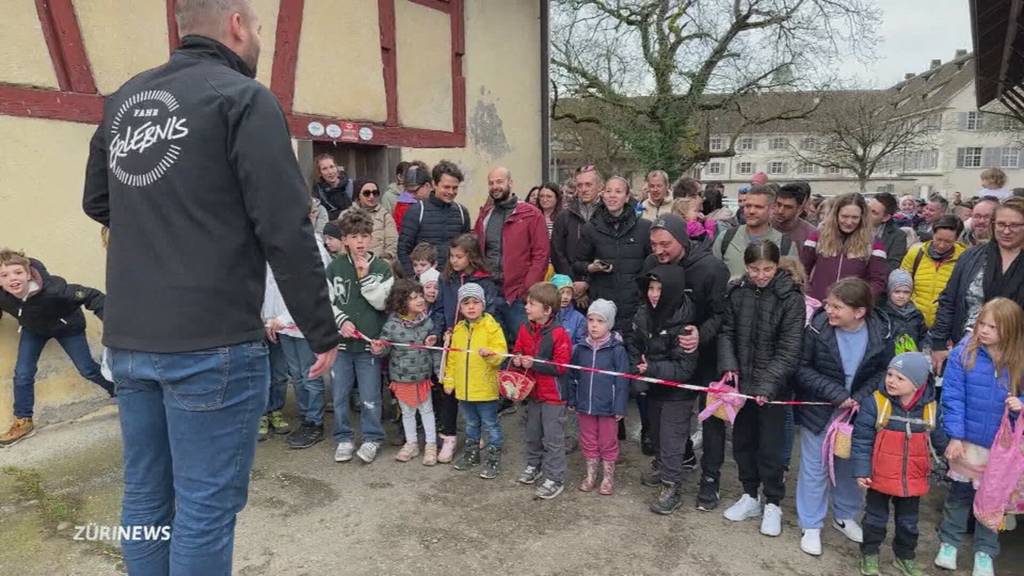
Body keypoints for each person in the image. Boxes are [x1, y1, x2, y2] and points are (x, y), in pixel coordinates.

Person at [81, 1, 340, 571]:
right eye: (259, 30)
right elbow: (285, 225)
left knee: (146, 496)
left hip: (129, 341)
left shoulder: (123, 101)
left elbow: (98, 201)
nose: (260, 41)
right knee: (203, 507)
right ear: (236, 26)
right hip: (211, 341)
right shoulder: (242, 98)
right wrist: (321, 328)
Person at [794, 278, 894, 557]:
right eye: (828, 304)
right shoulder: (816, 327)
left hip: (858, 411)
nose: (829, 311)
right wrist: (836, 394)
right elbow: (802, 368)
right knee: (814, 466)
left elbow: (884, 371)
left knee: (849, 465)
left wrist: (859, 398)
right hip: (822, 406)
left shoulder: (881, 331)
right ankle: (811, 524)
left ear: (859, 312)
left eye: (837, 307)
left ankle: (844, 515)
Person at [717, 240, 805, 537]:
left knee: (771, 447)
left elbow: (790, 349)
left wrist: (768, 385)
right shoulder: (737, 291)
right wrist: (729, 366)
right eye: (755, 269)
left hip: (774, 390)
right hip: (742, 385)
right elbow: (727, 331)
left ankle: (773, 502)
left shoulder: (791, 298)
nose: (761, 275)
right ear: (746, 266)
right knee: (742, 441)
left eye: (767, 269)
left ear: (777, 265)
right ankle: (750, 494)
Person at [645, 213, 730, 510]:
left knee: (710, 422)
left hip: (705, 355)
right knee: (665, 419)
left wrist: (699, 333)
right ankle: (677, 462)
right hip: (667, 354)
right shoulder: (654, 264)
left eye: (665, 244)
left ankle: (710, 480)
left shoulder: (711, 269)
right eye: (654, 244)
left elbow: (723, 314)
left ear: (681, 239)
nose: (659, 251)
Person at [935, 297, 1024, 576]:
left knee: (993, 499)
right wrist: (955, 436)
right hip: (967, 442)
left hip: (1001, 447)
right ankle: (948, 543)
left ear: (1009, 330)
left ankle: (985, 553)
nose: (983, 331)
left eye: (992, 327)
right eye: (981, 324)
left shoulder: (1019, 359)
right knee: (958, 496)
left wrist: (1021, 403)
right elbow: (952, 396)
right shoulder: (965, 352)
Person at [0, 251, 115, 445]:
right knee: (22, 374)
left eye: (17, 272)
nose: (12, 279)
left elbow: (93, 296)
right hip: (34, 329)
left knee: (87, 369)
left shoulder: (55, 289)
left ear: (28, 274)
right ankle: (23, 421)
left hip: (67, 327)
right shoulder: (3, 295)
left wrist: (112, 324)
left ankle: (123, 393)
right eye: (4, 275)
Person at [851, 352, 946, 576]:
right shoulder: (876, 403)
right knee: (874, 519)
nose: (891, 380)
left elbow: (940, 439)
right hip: (879, 475)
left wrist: (953, 455)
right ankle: (870, 555)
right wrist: (861, 471)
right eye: (890, 374)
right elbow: (862, 440)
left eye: (900, 378)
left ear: (917, 384)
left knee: (909, 524)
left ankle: (904, 557)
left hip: (912, 478)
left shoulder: (930, 408)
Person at [628, 262, 699, 515]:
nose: (654, 294)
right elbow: (634, 343)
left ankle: (672, 486)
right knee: (656, 432)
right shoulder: (643, 313)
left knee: (672, 439)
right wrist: (637, 369)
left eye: (659, 288)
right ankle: (661, 467)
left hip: (677, 392)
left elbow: (684, 369)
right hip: (653, 387)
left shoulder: (686, 323)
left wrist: (652, 369)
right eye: (650, 287)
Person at [326, 210, 394, 464]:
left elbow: (382, 304)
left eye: (365, 236)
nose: (360, 242)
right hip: (342, 346)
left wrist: (365, 278)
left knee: (370, 395)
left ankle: (372, 438)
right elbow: (327, 302)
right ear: (344, 240)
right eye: (354, 236)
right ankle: (343, 437)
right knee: (340, 395)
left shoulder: (381, 268)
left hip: (369, 346)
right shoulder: (335, 267)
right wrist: (341, 321)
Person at [262, 208, 333, 445]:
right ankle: (306, 418)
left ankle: (314, 422)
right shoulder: (272, 242)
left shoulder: (311, 245)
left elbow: (313, 289)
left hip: (303, 325)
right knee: (298, 376)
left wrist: (283, 318)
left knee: (309, 375)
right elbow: (270, 285)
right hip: (280, 326)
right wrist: (269, 318)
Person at [931, 198, 1024, 373]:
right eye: (1001, 224)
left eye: (1015, 225)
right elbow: (948, 300)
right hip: (967, 351)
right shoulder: (971, 256)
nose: (1006, 230)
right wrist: (938, 343)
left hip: (1015, 357)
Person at [430, 234, 500, 460]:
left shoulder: (484, 281)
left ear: (471, 257)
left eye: (459, 257)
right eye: (451, 256)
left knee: (475, 392)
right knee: (448, 389)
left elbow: (490, 312)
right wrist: (440, 332)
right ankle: (448, 437)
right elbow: (440, 309)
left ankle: (475, 433)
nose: (454, 261)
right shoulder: (446, 278)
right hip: (452, 341)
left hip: (476, 343)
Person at [474, 167, 550, 342]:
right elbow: (477, 251)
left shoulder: (531, 214)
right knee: (492, 347)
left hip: (518, 295)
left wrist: (527, 289)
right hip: (490, 291)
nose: (495, 186)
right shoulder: (485, 215)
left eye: (499, 182)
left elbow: (541, 255)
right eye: (491, 183)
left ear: (510, 183)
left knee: (523, 345)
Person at [371, 279, 441, 465]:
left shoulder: (427, 322)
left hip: (423, 377)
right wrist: (378, 348)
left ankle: (431, 445)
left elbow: (434, 348)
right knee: (407, 412)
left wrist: (434, 341)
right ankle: (411, 444)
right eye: (413, 298)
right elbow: (385, 349)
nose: (420, 300)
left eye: (420, 295)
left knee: (427, 411)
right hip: (401, 378)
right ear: (401, 303)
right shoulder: (391, 325)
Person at [512, 282, 572, 499]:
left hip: (553, 396)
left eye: (531, 304)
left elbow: (561, 366)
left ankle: (555, 477)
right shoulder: (524, 328)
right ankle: (533, 465)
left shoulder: (559, 334)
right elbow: (517, 349)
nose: (526, 307)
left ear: (547, 310)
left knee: (553, 438)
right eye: (527, 303)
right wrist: (517, 358)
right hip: (532, 392)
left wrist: (533, 363)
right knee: (532, 433)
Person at [443, 283, 508, 478]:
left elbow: (502, 353)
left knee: (491, 424)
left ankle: (493, 459)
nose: (471, 307)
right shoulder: (458, 330)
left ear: (483, 304)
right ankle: (472, 455)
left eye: (475, 302)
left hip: (485, 389)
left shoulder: (492, 327)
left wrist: (491, 354)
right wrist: (449, 380)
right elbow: (452, 358)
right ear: (460, 308)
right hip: (464, 390)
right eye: (466, 303)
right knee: (471, 424)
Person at [572, 176, 652, 333]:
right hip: (602, 305)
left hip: (634, 303)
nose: (612, 196)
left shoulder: (644, 227)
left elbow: (652, 266)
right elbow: (577, 263)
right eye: (608, 191)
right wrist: (591, 268)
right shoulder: (591, 228)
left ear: (627, 197)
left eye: (618, 191)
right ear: (602, 195)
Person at [569, 299, 630, 495]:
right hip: (584, 405)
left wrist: (620, 407)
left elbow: (622, 381)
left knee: (607, 441)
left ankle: (608, 477)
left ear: (609, 324)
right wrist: (573, 398)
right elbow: (573, 375)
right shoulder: (580, 348)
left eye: (601, 321)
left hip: (608, 407)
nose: (594, 325)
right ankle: (591, 474)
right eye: (591, 319)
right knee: (588, 439)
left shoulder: (617, 350)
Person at [801, 193, 888, 302]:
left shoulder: (874, 243)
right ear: (836, 215)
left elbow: (878, 281)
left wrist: (858, 300)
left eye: (855, 217)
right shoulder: (817, 237)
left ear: (862, 217)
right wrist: (810, 295)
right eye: (844, 216)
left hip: (852, 309)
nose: (849, 222)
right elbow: (802, 271)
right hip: (819, 306)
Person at [397, 160, 471, 274]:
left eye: (455, 188)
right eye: (446, 187)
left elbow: (467, 250)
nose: (451, 192)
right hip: (424, 284)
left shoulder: (462, 213)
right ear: (434, 184)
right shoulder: (417, 211)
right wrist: (414, 278)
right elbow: (403, 250)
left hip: (452, 282)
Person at [713, 185, 797, 280]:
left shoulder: (785, 245)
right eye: (748, 206)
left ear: (772, 209)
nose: (751, 211)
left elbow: (791, 285)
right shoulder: (725, 238)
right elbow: (713, 278)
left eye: (758, 207)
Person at [900, 214, 964, 328]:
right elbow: (901, 284)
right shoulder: (915, 253)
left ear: (956, 239)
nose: (941, 245)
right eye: (938, 239)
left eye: (948, 241)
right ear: (933, 234)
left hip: (945, 326)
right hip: (913, 321)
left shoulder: (965, 258)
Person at [552, 165, 604, 302]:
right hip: (569, 290)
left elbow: (609, 252)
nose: (583, 189)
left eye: (588, 184)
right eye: (580, 185)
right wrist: (573, 285)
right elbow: (557, 252)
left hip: (601, 287)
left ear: (600, 187)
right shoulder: (564, 216)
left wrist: (587, 283)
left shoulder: (607, 216)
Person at [341, 179, 398, 260]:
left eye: (375, 193)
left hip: (379, 262)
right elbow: (342, 243)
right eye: (366, 193)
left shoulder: (385, 215)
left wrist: (386, 258)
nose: (371, 197)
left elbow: (392, 241)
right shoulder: (347, 215)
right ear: (358, 196)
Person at [880, 269, 927, 354]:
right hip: (888, 362)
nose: (901, 296)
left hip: (912, 359)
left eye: (906, 292)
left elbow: (923, 338)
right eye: (897, 292)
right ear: (889, 291)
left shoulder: (916, 315)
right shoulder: (882, 315)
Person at [868, 192, 910, 272]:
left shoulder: (898, 236)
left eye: (874, 212)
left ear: (885, 217)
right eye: (867, 209)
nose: (866, 214)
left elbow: (892, 266)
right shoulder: (854, 226)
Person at [773, 182, 817, 250]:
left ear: (799, 209)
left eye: (788, 207)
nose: (780, 211)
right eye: (779, 204)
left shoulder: (811, 234)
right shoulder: (763, 225)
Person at [311, 153, 353, 220]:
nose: (330, 172)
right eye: (324, 169)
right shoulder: (319, 191)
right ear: (320, 173)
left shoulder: (351, 185)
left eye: (332, 167)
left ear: (336, 167)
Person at [392, 161, 430, 231]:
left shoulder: (439, 201)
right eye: (409, 191)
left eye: (414, 191)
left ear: (427, 186)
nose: (411, 196)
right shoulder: (403, 207)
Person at [550, 274, 587, 346]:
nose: (565, 297)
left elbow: (580, 344)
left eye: (569, 293)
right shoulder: (545, 315)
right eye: (561, 292)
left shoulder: (579, 318)